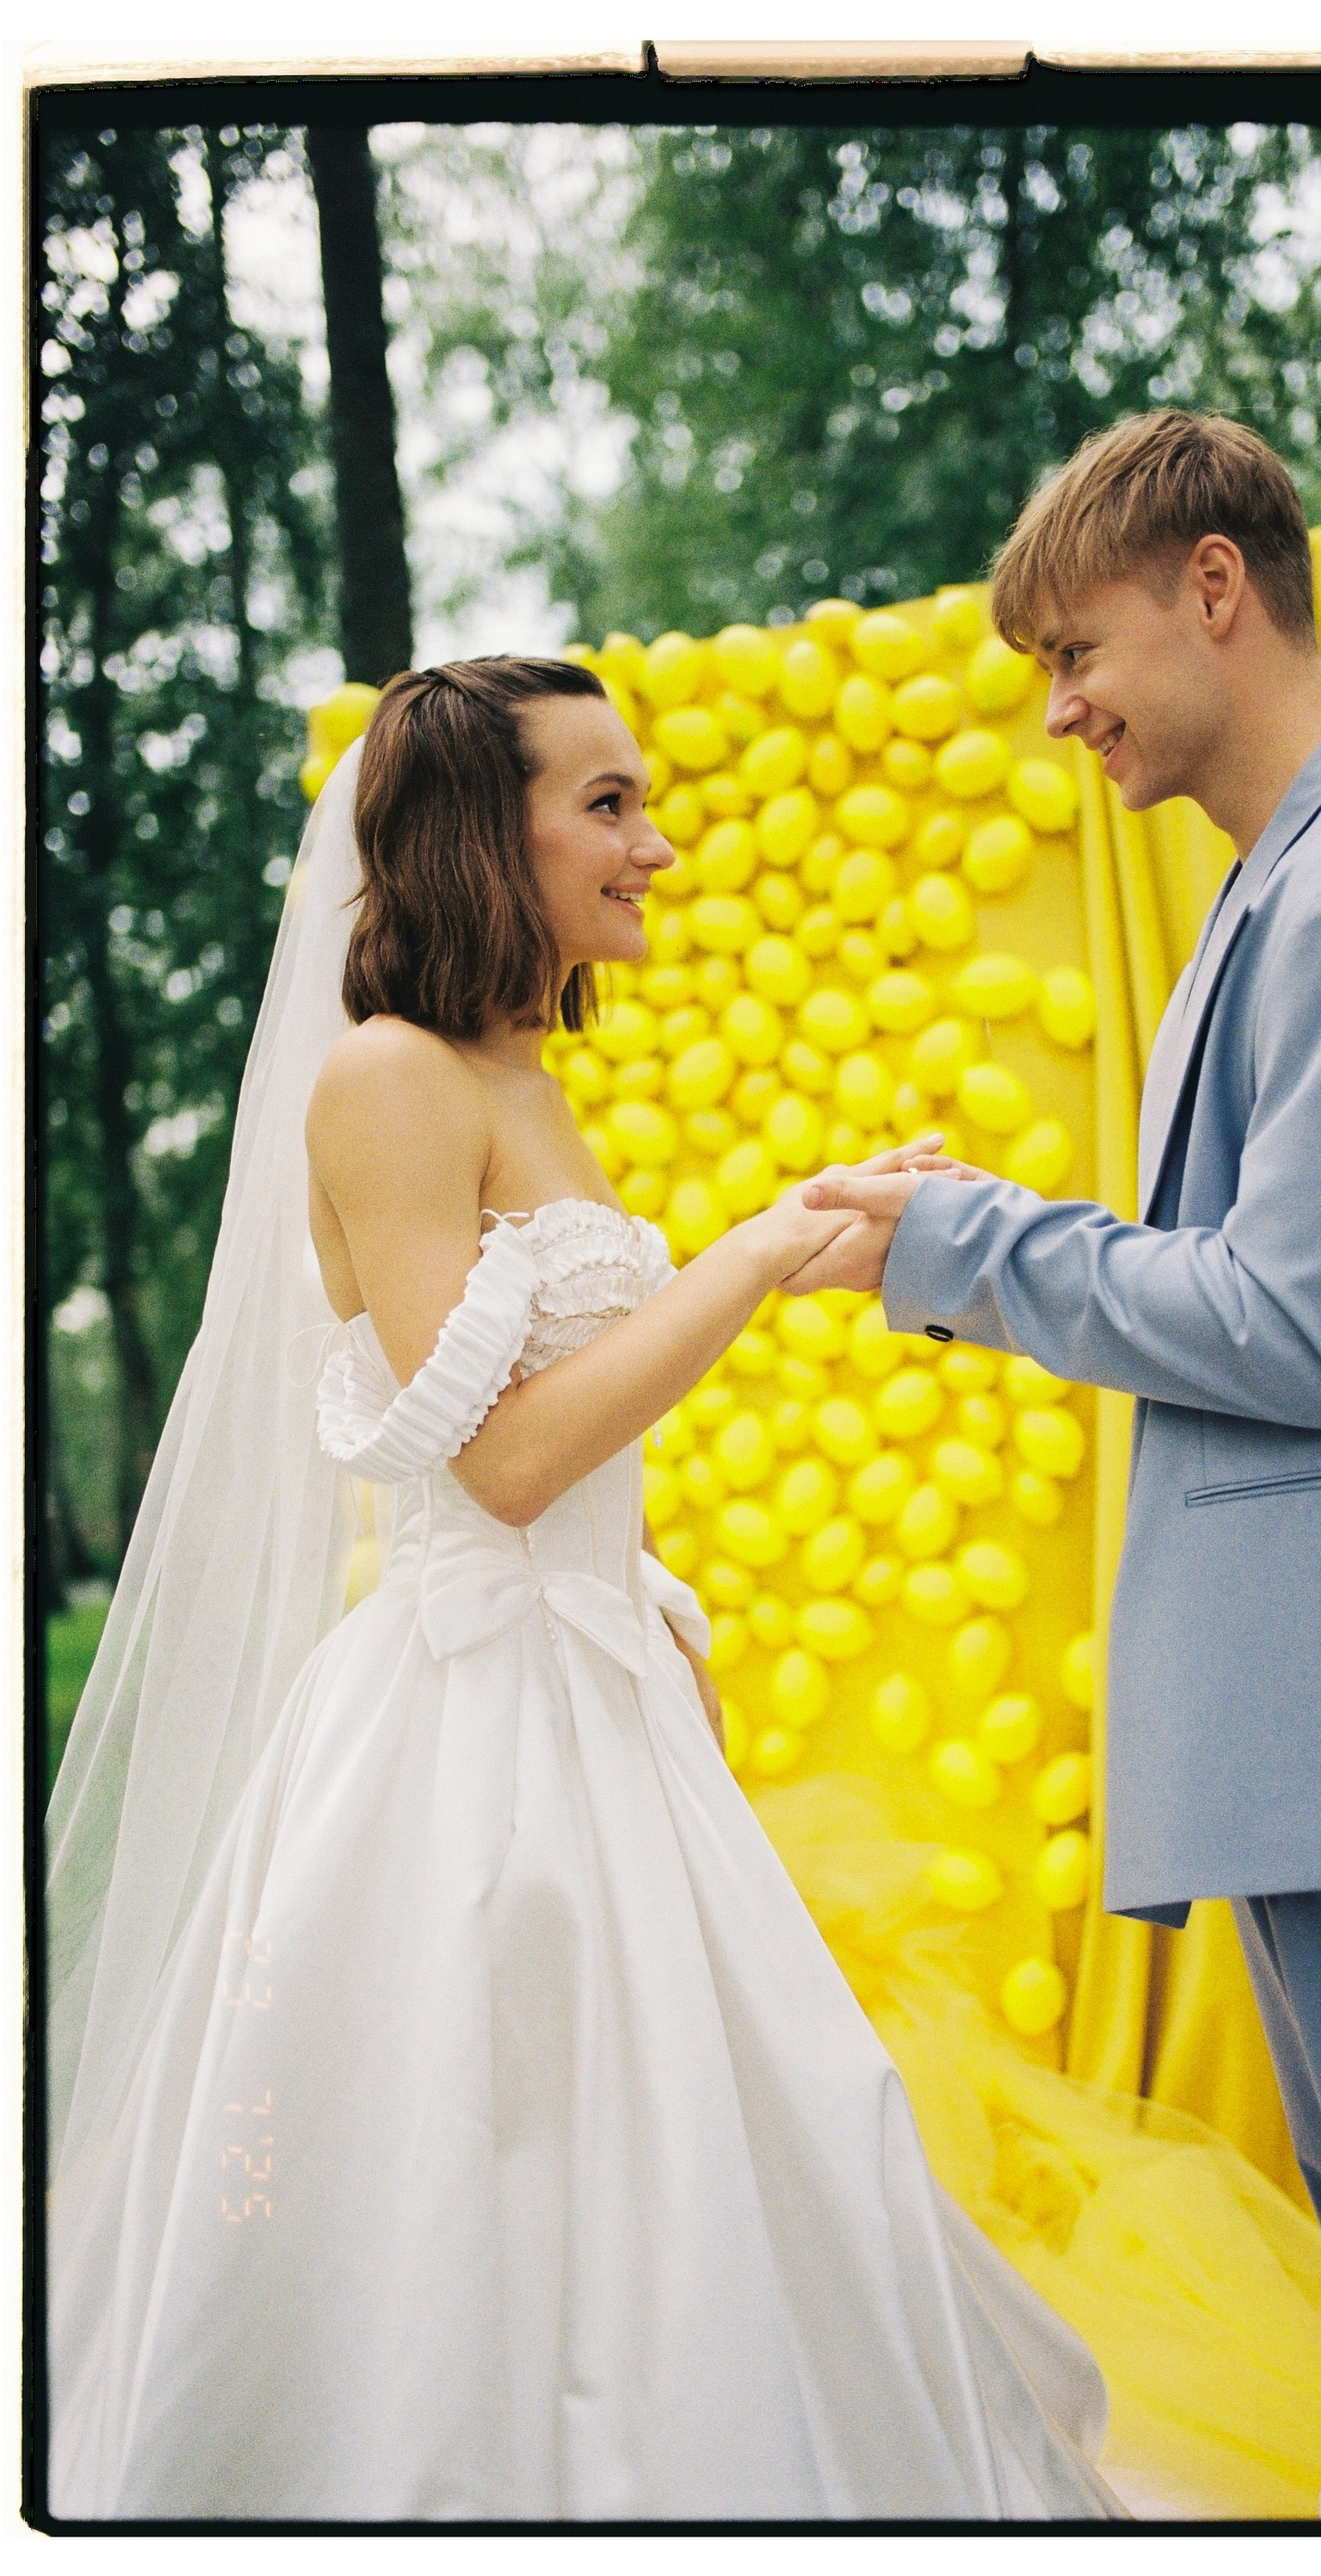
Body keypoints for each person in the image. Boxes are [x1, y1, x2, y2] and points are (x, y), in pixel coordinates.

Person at [44, 657, 1127, 2522]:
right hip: (462, 1729)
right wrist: (764, 1243)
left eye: (643, 799)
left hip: (598, 1685)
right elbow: (501, 1458)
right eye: (607, 804)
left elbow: (575, 1440)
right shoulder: (386, 1081)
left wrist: (784, 1278)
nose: (658, 841)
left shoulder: (519, 1073)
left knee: (712, 2158)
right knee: (460, 2171)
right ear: (486, 833)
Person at [796, 410, 1321, 2520]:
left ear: (1209, 586)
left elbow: (1290, 1322)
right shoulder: (1298, 884)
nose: (1061, 707)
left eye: (1075, 651)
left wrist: (957, 1241)